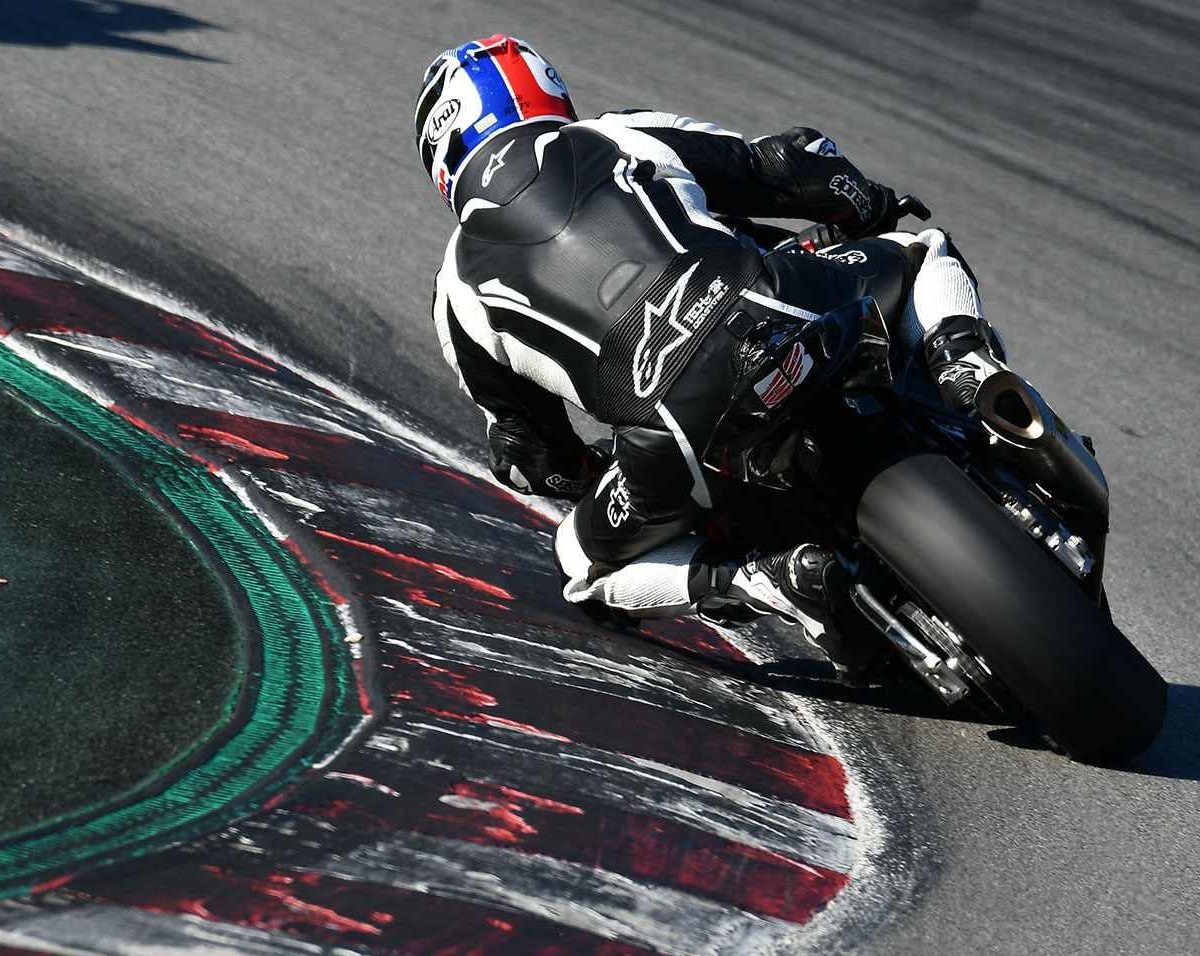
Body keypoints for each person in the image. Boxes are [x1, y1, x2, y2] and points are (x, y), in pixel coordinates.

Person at [419, 35, 1011, 676]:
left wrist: (591, 472)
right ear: (542, 90)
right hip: (777, 308)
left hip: (671, 436)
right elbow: (782, 170)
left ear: (442, 163)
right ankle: (972, 373)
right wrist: (868, 202)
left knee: (581, 565)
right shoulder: (617, 133)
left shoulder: (455, 293)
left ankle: (762, 579)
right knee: (923, 250)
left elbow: (531, 457)